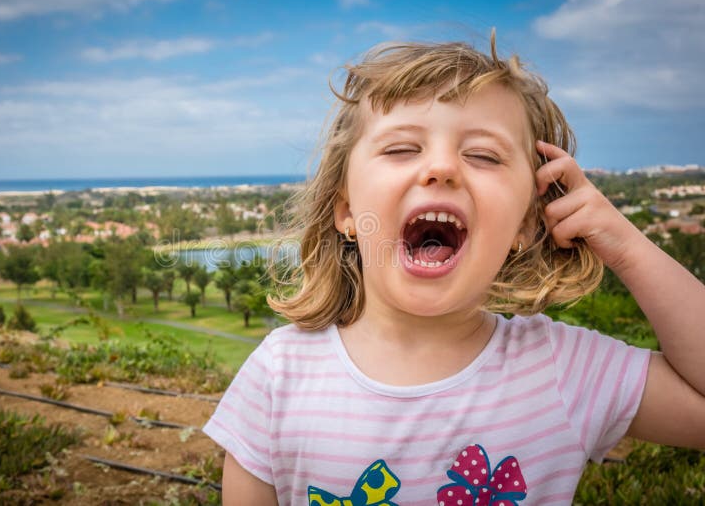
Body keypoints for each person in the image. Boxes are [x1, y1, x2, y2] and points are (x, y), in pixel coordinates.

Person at [202, 33, 705, 505]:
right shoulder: (278, 375)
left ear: (526, 224)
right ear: (346, 212)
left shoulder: (561, 369)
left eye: (483, 155)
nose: (441, 168)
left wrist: (627, 247)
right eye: (401, 148)